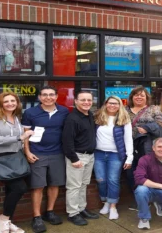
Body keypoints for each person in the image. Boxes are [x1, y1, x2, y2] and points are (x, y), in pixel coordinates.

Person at [0, 92, 35, 233]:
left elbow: (21, 139)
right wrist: (20, 137)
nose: (10, 103)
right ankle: (3, 218)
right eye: (6, 101)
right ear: (0, 103)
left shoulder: (16, 117)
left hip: (16, 157)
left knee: (11, 190)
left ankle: (7, 221)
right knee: (19, 188)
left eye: (13, 100)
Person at [21, 85, 69, 233]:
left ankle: (50, 212)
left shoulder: (64, 111)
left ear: (56, 97)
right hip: (37, 154)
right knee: (38, 186)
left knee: (54, 184)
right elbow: (26, 135)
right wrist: (27, 152)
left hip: (57, 153)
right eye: (45, 95)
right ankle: (36, 217)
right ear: (40, 97)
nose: (48, 97)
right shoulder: (30, 113)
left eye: (51, 95)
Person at [62, 91, 99, 226]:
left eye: (89, 100)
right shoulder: (72, 119)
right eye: (82, 100)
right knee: (74, 186)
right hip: (78, 157)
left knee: (83, 184)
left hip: (89, 156)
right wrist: (74, 159)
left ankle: (81, 208)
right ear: (75, 101)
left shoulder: (89, 115)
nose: (86, 102)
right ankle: (73, 213)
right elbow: (67, 141)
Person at [94, 96, 133, 220]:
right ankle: (105, 202)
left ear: (120, 105)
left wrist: (129, 157)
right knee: (101, 180)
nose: (113, 105)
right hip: (98, 154)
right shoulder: (98, 118)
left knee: (113, 180)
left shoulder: (124, 119)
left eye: (116, 103)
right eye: (110, 103)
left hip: (115, 155)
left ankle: (113, 206)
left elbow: (128, 139)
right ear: (105, 104)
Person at [125, 86, 162, 208]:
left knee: (147, 173)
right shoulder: (124, 110)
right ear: (132, 97)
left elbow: (161, 126)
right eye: (136, 95)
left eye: (142, 95)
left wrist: (147, 128)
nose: (139, 97)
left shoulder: (154, 109)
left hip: (145, 147)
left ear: (146, 97)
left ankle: (149, 198)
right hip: (128, 147)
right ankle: (139, 198)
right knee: (130, 173)